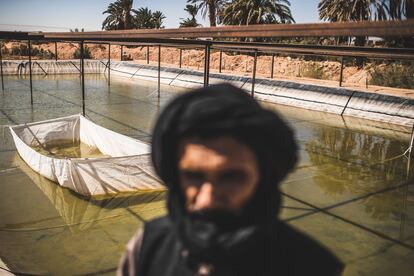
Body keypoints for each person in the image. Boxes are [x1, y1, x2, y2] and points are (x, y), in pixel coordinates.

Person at [117, 84, 343, 276]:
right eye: (194, 176)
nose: (207, 200)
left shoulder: (314, 267)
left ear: (262, 179)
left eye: (232, 177)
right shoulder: (149, 245)